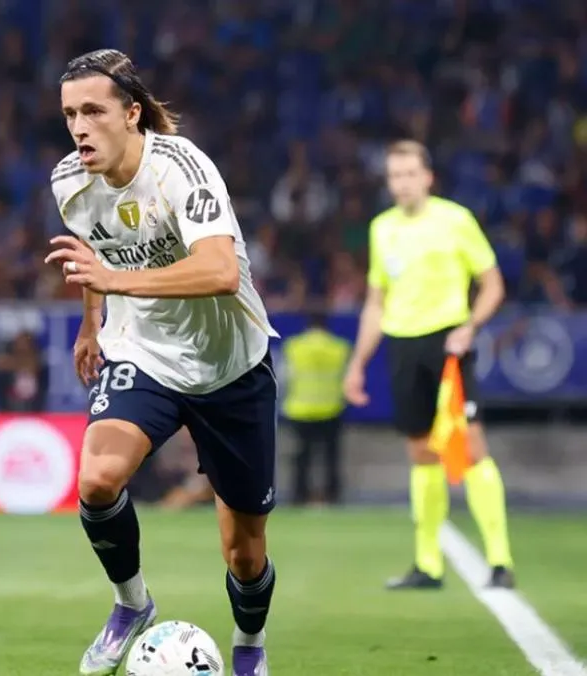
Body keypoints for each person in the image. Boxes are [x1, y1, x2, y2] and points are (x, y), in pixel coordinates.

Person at [46, 48, 279, 676]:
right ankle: (132, 603)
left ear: (131, 113)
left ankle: (250, 646)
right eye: (70, 114)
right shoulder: (69, 180)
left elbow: (220, 271)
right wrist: (91, 321)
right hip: (143, 353)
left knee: (244, 554)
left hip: (230, 366)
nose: (79, 127)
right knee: (97, 479)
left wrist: (114, 283)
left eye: (93, 111)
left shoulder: (181, 168)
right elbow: (95, 250)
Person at [343, 140, 515, 591]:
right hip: (402, 345)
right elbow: (375, 301)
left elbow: (493, 284)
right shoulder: (382, 228)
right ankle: (428, 563)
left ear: (428, 177)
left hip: (448, 343)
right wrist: (358, 363)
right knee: (420, 452)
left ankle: (500, 560)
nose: (401, 183)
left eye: (409, 174)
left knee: (470, 447)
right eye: (394, 175)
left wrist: (471, 326)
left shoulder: (455, 220)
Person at [281, 311, 351, 505]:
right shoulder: (339, 347)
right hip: (331, 408)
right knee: (331, 457)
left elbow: (285, 376)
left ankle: (299, 495)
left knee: (301, 457)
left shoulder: (294, 346)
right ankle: (332, 494)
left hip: (300, 409)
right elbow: (346, 378)